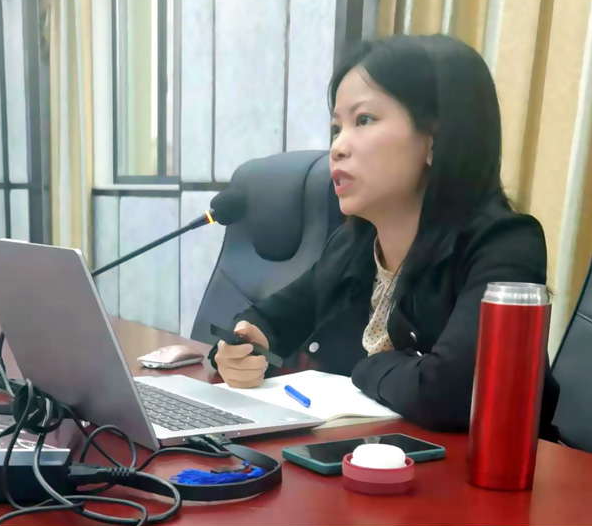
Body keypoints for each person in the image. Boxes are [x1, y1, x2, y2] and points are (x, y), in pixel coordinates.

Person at [210, 34, 560, 439]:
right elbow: (269, 320)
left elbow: (451, 392)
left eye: (363, 120)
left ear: (435, 139)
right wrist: (242, 347)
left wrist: (367, 367)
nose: (337, 147)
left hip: (480, 474)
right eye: (336, 128)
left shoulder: (505, 244)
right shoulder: (353, 246)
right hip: (364, 463)